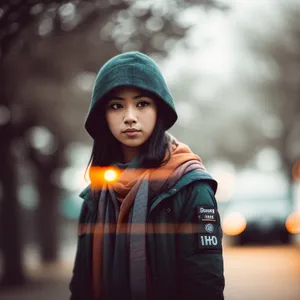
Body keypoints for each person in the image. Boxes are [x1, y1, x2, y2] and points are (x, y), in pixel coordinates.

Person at [69, 51, 225, 300]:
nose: (130, 117)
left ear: (158, 110)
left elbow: (204, 287)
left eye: (142, 104)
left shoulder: (191, 187)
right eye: (116, 105)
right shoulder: (94, 197)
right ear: (103, 116)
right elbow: (81, 289)